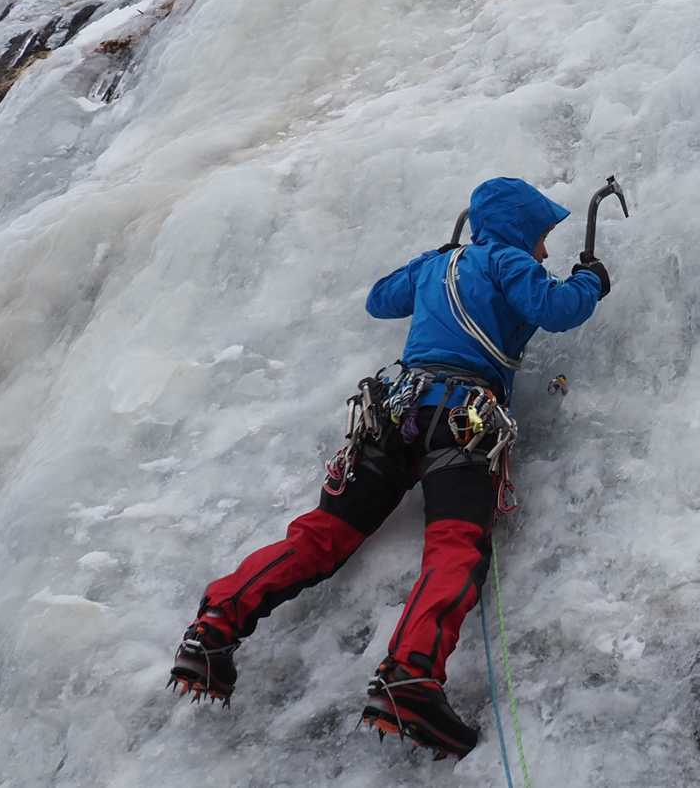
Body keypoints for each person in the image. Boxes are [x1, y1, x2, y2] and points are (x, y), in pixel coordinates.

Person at [167, 177, 610, 758]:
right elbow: (555, 309)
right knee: (455, 547)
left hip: (393, 414)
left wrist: (435, 262)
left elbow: (380, 298)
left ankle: (215, 626)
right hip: (462, 418)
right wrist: (590, 279)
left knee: (323, 534)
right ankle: (410, 679)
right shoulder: (507, 259)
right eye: (542, 237)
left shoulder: (438, 264)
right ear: (521, 231)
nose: (545, 251)